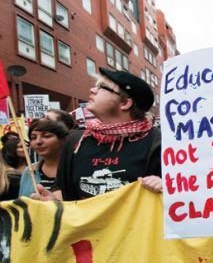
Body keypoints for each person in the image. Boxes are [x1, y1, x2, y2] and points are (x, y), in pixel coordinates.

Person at [33, 68, 162, 201]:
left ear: (125, 103)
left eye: (102, 87)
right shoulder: (76, 141)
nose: (92, 90)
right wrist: (53, 201)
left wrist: (164, 186)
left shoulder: (156, 142)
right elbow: (62, 190)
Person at [19, 118, 68, 196]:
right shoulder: (29, 171)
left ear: (63, 140)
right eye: (33, 137)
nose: (38, 141)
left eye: (46, 136)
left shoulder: (75, 169)